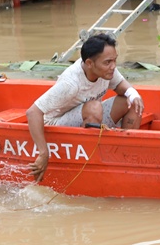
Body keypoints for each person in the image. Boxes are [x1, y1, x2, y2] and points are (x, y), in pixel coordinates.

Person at [27, 33, 144, 181]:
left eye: (114, 60)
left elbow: (122, 87)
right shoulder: (71, 84)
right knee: (94, 108)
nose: (113, 67)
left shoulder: (106, 69)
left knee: (134, 100)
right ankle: (93, 160)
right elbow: (33, 112)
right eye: (108, 62)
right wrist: (44, 153)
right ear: (89, 63)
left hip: (91, 118)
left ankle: (125, 154)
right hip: (57, 123)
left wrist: (133, 94)